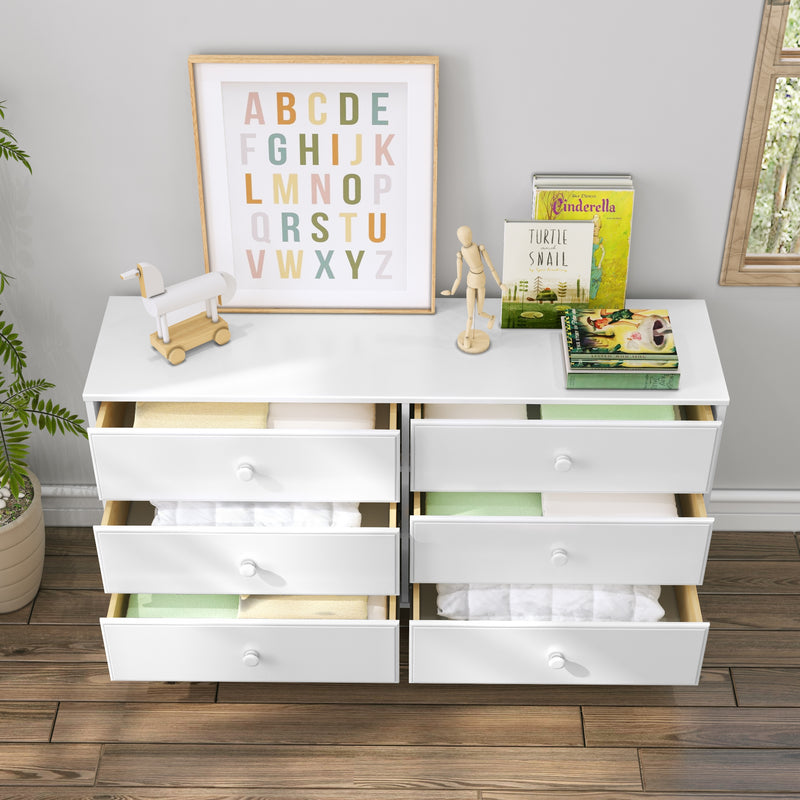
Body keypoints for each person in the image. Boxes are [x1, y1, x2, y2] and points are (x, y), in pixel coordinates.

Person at [442, 225, 505, 353]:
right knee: (470, 316)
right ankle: (467, 336)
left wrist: (500, 284)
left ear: (471, 235)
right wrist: (452, 291)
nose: (465, 239)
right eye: (462, 237)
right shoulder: (461, 254)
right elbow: (458, 277)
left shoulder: (479, 248)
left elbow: (491, 267)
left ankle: (491, 318)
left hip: (480, 280)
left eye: (467, 236)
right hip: (470, 282)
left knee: (480, 312)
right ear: (459, 239)